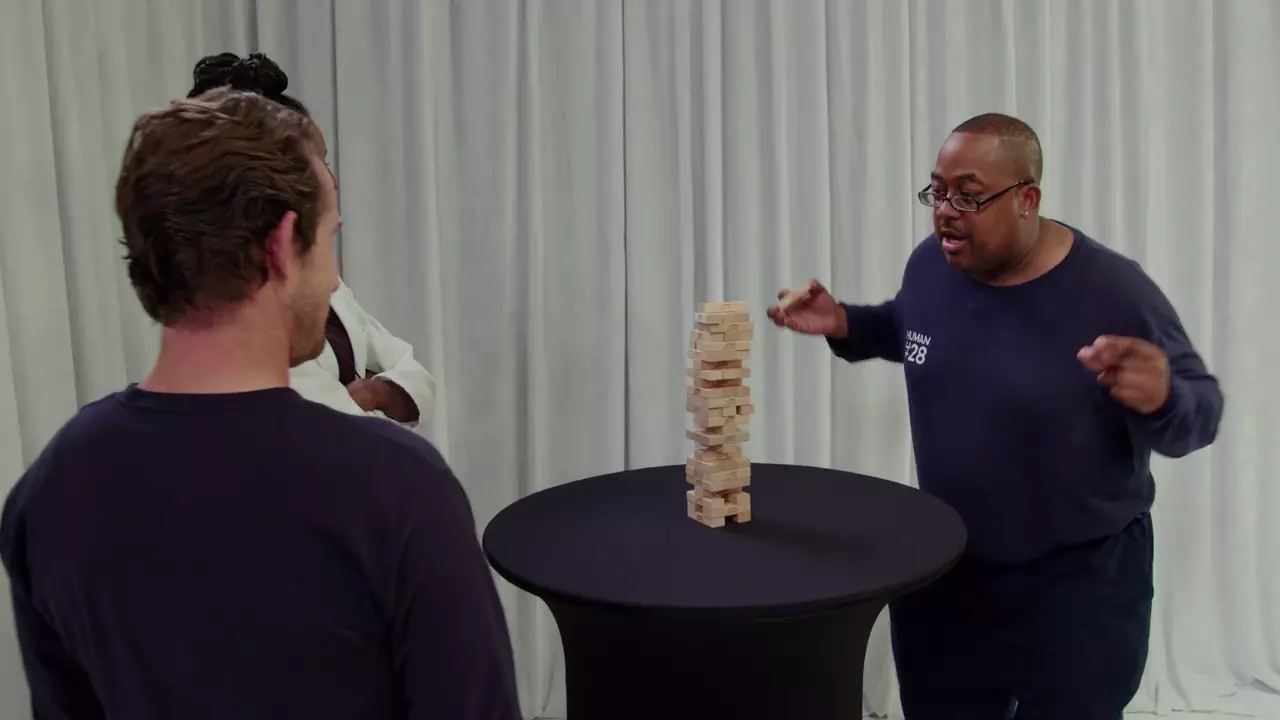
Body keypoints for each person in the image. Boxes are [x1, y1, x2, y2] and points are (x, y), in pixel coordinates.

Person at [0, 87, 519, 719]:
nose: (331, 277)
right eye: (328, 239)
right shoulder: (398, 490)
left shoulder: (51, 490)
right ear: (281, 245)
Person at [768, 113, 1223, 719]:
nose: (945, 211)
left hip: (1078, 588)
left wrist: (1165, 398)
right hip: (944, 572)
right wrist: (846, 323)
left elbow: (1202, 411)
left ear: (1027, 199)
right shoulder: (932, 265)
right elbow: (912, 331)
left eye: (968, 195)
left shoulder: (1115, 291)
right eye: (937, 191)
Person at [188, 52, 436, 427]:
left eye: (326, 162)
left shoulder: (324, 282)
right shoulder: (235, 302)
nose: (331, 181)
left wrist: (374, 392)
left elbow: (412, 372)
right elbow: (323, 420)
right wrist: (367, 397)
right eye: (317, 163)